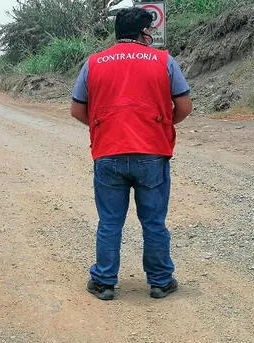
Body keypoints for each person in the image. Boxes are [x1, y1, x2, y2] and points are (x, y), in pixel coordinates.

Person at [70, 7, 193, 301]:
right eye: (149, 31)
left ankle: (104, 282)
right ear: (144, 33)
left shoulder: (94, 63)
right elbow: (184, 106)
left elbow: (77, 109)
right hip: (152, 152)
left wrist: (107, 126)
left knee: (110, 221)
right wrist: (161, 125)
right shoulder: (164, 61)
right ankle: (161, 281)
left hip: (109, 152)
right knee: (153, 221)